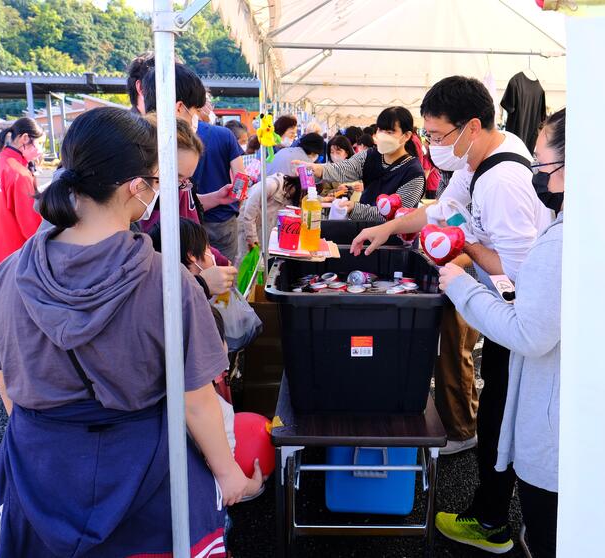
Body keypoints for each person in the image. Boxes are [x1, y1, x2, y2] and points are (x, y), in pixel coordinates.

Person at [0, 107, 262, 557]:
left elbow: (5, 380)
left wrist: (46, 440)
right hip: (144, 480)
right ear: (137, 186)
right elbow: (196, 402)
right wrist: (229, 476)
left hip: (37, 474)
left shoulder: (9, 275)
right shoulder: (168, 282)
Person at [350, 76, 551, 554]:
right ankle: (498, 512)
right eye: (430, 135)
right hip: (499, 310)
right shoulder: (477, 159)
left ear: (472, 127)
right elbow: (444, 209)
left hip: (516, 317)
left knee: (501, 418)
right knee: (499, 411)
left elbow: (520, 272)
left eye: (439, 136)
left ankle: (493, 521)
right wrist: (390, 228)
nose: (434, 145)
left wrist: (466, 246)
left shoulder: (503, 182)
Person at [438, 109, 565, 558]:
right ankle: (494, 517)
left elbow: (528, 330)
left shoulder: (558, 239)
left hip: (550, 420)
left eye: (542, 165)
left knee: (548, 529)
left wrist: (463, 287)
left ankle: (492, 520)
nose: (535, 175)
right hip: (565, 409)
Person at [143, 64, 245, 263]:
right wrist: (203, 271)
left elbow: (183, 203)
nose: (197, 117)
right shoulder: (154, 158)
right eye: (196, 110)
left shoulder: (170, 153)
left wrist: (215, 198)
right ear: (179, 108)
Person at [296, 107, 425, 222]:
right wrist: (318, 169)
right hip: (364, 231)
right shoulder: (369, 156)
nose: (383, 136)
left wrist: (355, 209)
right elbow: (345, 168)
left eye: (390, 132)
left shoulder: (414, 173)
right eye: (380, 130)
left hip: (394, 238)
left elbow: (397, 215)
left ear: (406, 136)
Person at [0, 117, 44, 269]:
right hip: (16, 255)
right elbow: (30, 225)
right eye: (39, 143)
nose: (40, 149)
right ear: (25, 138)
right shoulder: (20, 174)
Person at [235, 172, 302, 263]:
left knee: (256, 262)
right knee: (242, 260)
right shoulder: (271, 184)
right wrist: (252, 238)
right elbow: (249, 211)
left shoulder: (289, 197)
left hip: (261, 231)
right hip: (246, 229)